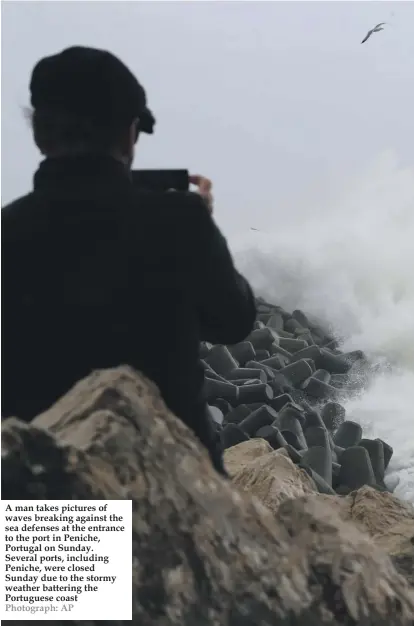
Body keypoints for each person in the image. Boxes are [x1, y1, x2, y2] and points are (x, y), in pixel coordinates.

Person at [1, 46, 257, 476]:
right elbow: (233, 321)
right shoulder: (177, 221)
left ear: (39, 135)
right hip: (169, 485)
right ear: (129, 134)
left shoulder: (6, 232)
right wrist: (201, 229)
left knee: (57, 544)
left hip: (46, 496)